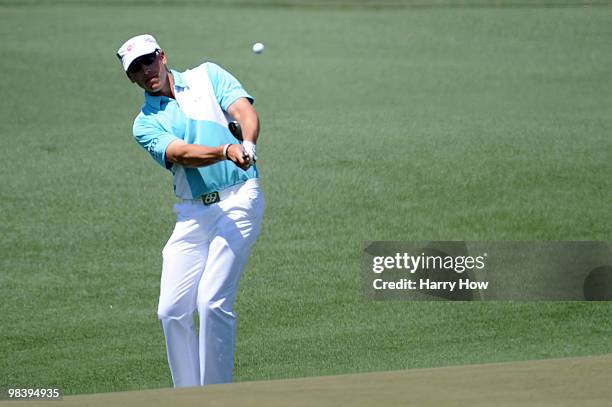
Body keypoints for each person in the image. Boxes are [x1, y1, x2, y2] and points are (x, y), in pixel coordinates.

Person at [116, 34, 264, 387]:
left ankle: (214, 394)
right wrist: (227, 150)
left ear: (163, 56)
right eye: (136, 68)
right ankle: (188, 394)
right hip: (192, 215)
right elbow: (181, 154)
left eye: (149, 60)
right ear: (131, 78)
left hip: (240, 198)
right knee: (171, 310)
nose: (146, 70)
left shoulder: (207, 76)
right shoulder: (145, 123)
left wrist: (247, 143)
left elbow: (243, 110)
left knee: (212, 301)